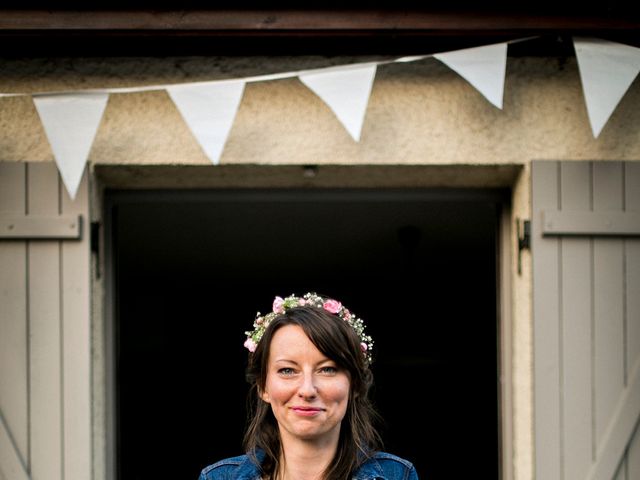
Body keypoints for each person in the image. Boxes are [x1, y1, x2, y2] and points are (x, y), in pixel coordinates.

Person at [198, 292, 419, 480]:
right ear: (262, 386)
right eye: (287, 370)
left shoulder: (398, 475)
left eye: (327, 369)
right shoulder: (216, 477)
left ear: (355, 386)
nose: (307, 390)